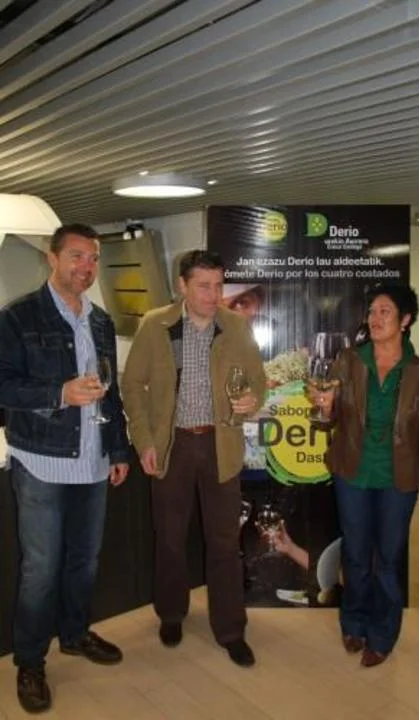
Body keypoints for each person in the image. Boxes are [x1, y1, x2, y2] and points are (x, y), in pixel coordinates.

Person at [0, 224, 130, 713]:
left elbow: (110, 394)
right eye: (76, 256)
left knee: (84, 561)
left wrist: (118, 451)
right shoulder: (17, 318)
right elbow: (3, 386)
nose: (87, 267)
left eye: (93, 258)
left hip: (93, 462)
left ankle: (74, 634)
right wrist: (59, 393)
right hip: (41, 462)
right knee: (40, 570)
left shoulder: (100, 321)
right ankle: (30, 662)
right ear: (52, 259)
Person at [121, 250, 266, 667]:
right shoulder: (156, 325)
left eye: (219, 285)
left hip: (221, 445)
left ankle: (231, 630)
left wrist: (253, 400)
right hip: (173, 445)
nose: (213, 294)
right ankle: (171, 614)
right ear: (182, 285)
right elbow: (132, 385)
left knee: (225, 543)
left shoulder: (235, 325)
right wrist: (145, 440)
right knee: (169, 537)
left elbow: (257, 381)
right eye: (203, 286)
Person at [309, 282, 419, 667]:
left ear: (405, 320)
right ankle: (353, 623)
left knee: (387, 559)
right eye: (371, 311)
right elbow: (326, 420)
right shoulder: (349, 360)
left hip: (399, 481)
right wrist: (325, 409)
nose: (375, 318)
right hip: (352, 473)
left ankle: (383, 635)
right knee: (354, 553)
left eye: (385, 311)